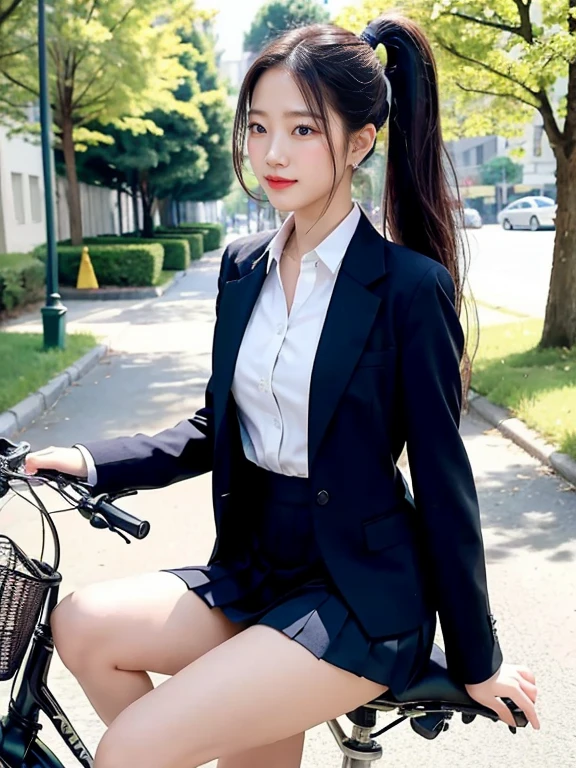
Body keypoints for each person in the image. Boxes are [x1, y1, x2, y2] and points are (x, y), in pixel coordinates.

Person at [25, 11, 539, 768]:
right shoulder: (242, 268)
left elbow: (442, 479)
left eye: (302, 130)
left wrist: (478, 654)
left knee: (131, 748)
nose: (271, 153)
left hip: (359, 594)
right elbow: (214, 427)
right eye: (258, 127)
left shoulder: (406, 289)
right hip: (256, 567)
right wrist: (89, 458)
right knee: (82, 626)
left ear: (359, 143)